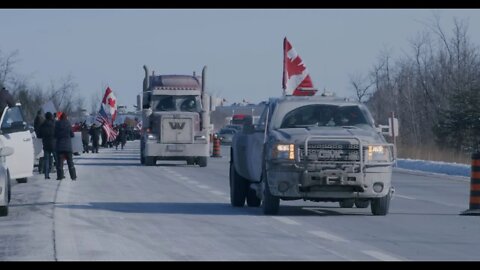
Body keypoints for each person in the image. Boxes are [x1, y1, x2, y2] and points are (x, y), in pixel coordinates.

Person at [54, 112, 77, 180]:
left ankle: (60, 176)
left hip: (59, 146)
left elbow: (55, 135)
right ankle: (73, 176)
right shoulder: (68, 124)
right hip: (68, 146)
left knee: (60, 163)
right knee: (70, 162)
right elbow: (72, 135)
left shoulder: (57, 124)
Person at [38, 112, 57, 179]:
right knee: (57, 159)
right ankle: (60, 173)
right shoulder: (54, 124)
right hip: (54, 144)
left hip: (46, 144)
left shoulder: (42, 125)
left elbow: (39, 135)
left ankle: (46, 175)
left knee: (46, 160)